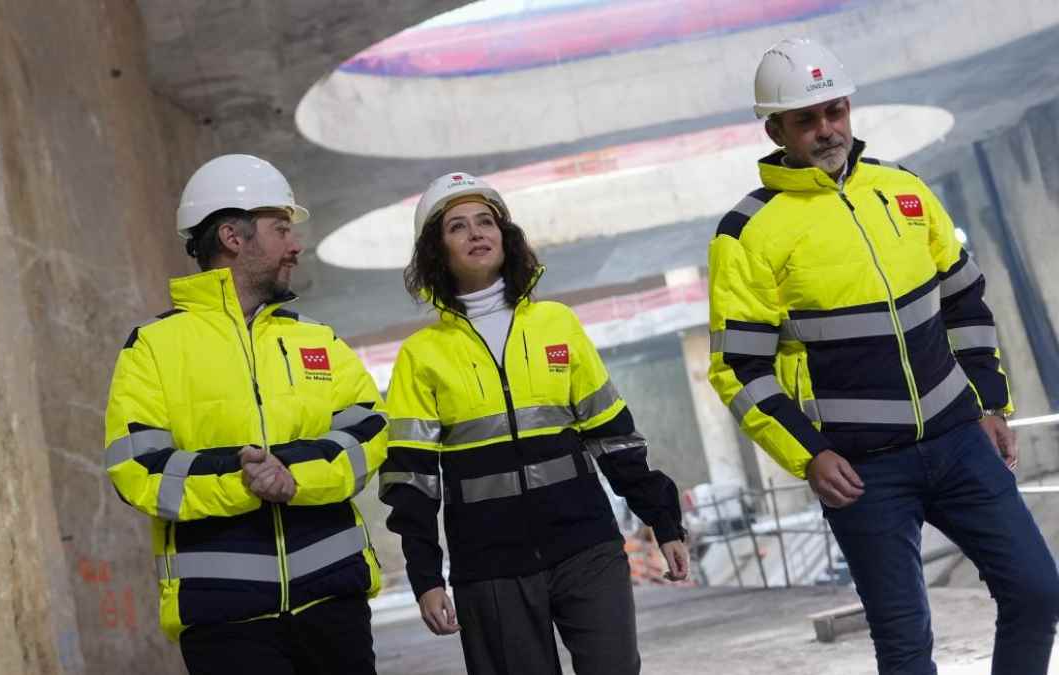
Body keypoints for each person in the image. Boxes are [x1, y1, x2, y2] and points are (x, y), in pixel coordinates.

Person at [708, 37, 1059, 674]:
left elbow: (966, 302)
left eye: (836, 111)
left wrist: (991, 404)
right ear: (775, 128)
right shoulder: (748, 231)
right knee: (904, 647)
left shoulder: (903, 189)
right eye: (807, 119)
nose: (826, 130)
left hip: (959, 440)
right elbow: (739, 367)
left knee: (1039, 592)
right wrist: (809, 455)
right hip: (862, 469)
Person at [379, 172, 689, 675]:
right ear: (438, 250)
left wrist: (663, 520)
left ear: (506, 235)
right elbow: (411, 479)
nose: (477, 232)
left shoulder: (557, 325)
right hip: (490, 564)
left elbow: (614, 436)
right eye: (457, 226)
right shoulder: (422, 355)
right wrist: (425, 575)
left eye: (486, 221)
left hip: (586, 545)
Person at [103, 154, 388, 674]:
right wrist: (244, 481)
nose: (295, 245)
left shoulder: (316, 340)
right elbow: (137, 468)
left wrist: (292, 477)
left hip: (335, 610)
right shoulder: (153, 348)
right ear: (234, 237)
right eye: (281, 229)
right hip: (226, 626)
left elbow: (369, 431)